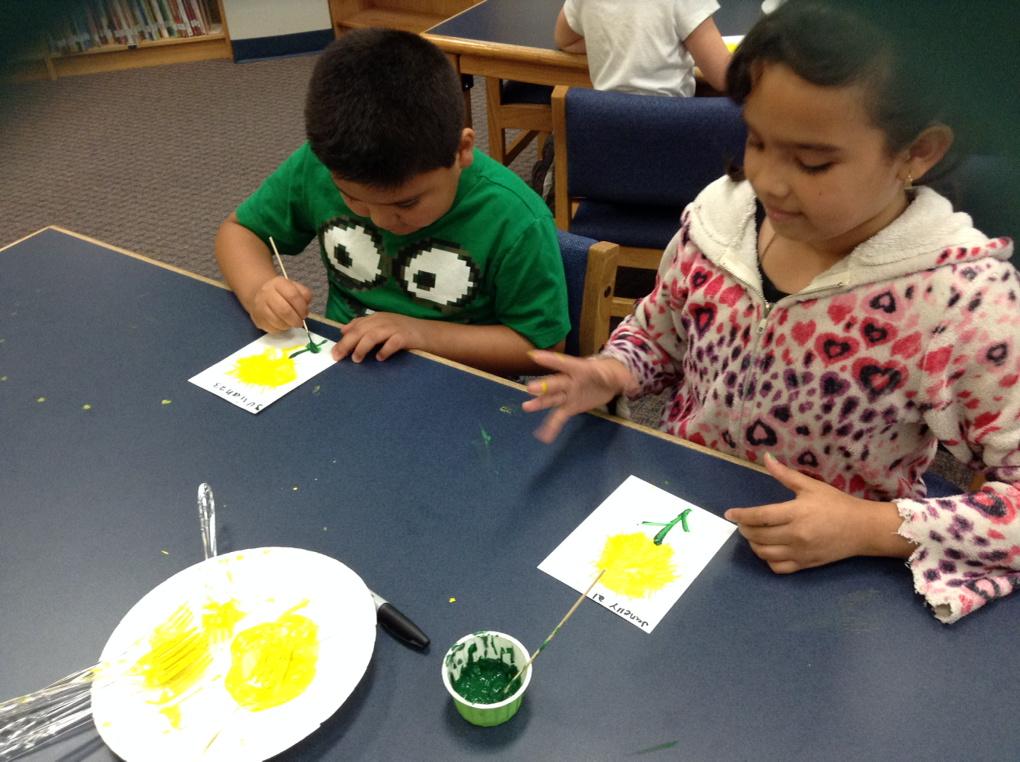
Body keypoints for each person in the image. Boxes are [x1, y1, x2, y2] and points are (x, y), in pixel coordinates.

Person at [524, 0, 1020, 623]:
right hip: (681, 525)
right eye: (756, 140)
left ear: (916, 153)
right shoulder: (718, 218)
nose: (767, 180)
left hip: (830, 581)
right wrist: (614, 371)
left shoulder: (961, 300)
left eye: (813, 162)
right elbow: (661, 334)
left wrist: (868, 528)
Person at [215, 29, 569, 377]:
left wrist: (421, 334)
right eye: (352, 198)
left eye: (408, 203)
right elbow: (239, 232)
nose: (381, 221)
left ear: (461, 151)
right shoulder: (319, 165)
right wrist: (260, 290)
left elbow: (542, 347)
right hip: (344, 367)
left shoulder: (514, 218)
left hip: (460, 384)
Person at [553, 0, 732, 96]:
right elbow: (725, 77)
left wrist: (614, 41)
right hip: (672, 137)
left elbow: (566, 41)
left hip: (608, 141)